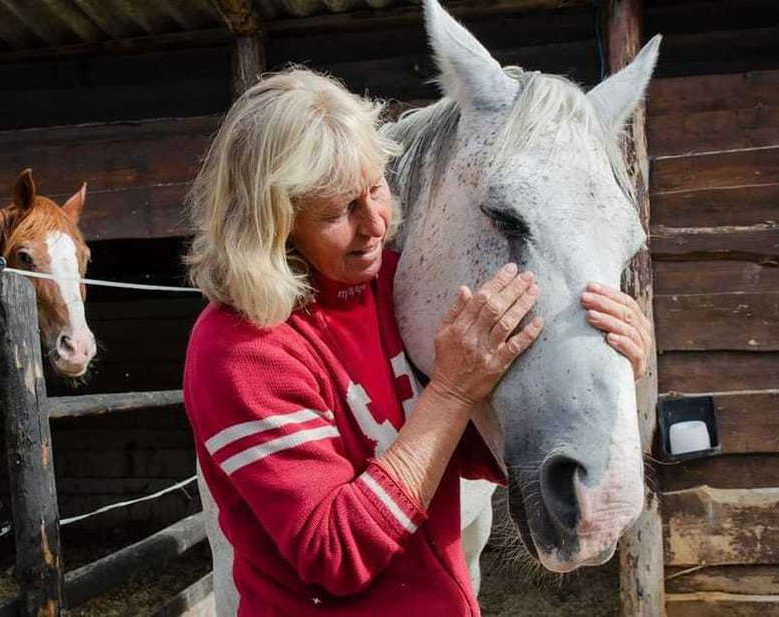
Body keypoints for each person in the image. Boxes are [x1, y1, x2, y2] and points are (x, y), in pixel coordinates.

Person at [182, 69, 653, 616]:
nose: (376, 223)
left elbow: (454, 450)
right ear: (271, 221)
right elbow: (335, 552)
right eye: (339, 211)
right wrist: (452, 391)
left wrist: (600, 371)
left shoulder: (387, 287)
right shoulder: (241, 350)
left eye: (376, 187)